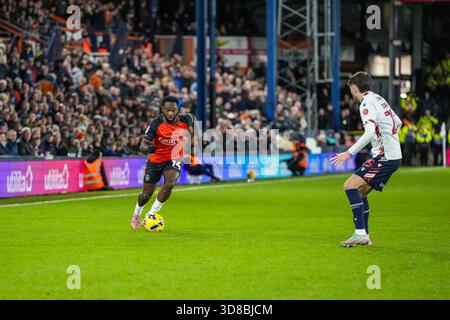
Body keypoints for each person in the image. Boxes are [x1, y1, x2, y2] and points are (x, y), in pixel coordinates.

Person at [331, 71, 402, 247]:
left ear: (355, 88)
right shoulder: (378, 98)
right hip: (390, 155)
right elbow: (398, 122)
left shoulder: (366, 104)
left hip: (385, 157)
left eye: (351, 90)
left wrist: (349, 152)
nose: (351, 94)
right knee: (360, 192)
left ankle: (360, 233)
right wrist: (387, 140)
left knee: (349, 185)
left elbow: (369, 132)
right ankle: (365, 236)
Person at [130, 96, 197, 229]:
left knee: (169, 184)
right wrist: (149, 148)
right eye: (167, 110)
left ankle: (150, 214)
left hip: (174, 158)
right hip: (155, 160)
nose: (170, 113)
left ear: (178, 109)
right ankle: (137, 213)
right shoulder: (156, 123)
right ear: (162, 110)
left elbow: (195, 125)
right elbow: (142, 146)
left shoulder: (187, 119)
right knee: (146, 195)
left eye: (173, 110)